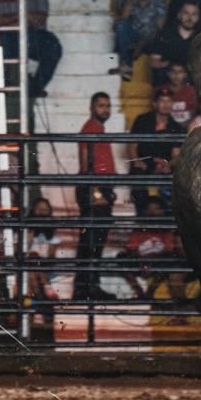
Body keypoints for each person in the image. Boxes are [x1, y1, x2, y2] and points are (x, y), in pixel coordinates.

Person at [76, 93, 118, 300]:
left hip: (98, 186)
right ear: (92, 107)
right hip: (94, 186)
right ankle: (88, 288)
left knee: (94, 241)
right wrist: (95, 190)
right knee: (92, 241)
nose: (105, 109)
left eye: (108, 105)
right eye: (101, 105)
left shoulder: (97, 129)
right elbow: (86, 162)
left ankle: (87, 288)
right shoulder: (91, 128)